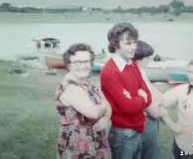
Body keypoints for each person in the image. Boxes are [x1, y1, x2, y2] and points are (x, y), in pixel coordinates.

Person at [100, 22, 152, 159]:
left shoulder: (132, 64)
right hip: (122, 134)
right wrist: (141, 97)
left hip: (138, 129)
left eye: (134, 42)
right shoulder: (110, 71)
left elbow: (149, 98)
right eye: (128, 43)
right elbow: (128, 107)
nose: (134, 47)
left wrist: (136, 98)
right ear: (115, 44)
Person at [55, 43, 112, 159]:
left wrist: (106, 117)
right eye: (77, 62)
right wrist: (104, 108)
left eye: (86, 61)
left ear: (91, 63)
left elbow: (109, 106)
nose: (83, 66)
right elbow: (94, 113)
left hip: (97, 143)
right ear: (69, 65)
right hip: (77, 148)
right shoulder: (70, 87)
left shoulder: (89, 85)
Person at [160, 59, 193, 159]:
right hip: (185, 148)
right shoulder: (181, 90)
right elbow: (159, 105)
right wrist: (172, 125)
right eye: (189, 72)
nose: (190, 76)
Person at [132, 40, 163, 159]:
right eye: (148, 56)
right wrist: (160, 112)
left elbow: (159, 95)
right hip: (144, 122)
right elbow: (154, 111)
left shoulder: (140, 71)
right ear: (141, 58)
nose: (150, 59)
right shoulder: (137, 74)